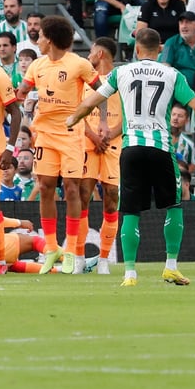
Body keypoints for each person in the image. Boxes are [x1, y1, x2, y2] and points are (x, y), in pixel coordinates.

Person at [67, 27, 195, 287]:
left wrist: (72, 119)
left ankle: (130, 274)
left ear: (136, 49)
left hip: (131, 148)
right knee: (173, 205)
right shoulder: (172, 74)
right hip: (161, 148)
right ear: (159, 49)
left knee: (131, 210)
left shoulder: (122, 72)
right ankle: (170, 267)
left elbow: (91, 101)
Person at [17, 16, 102, 275]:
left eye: (40, 36)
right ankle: (52, 248)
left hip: (71, 133)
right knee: (44, 187)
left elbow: (102, 90)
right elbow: (22, 91)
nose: (37, 40)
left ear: (50, 38)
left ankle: (73, 249)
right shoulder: (37, 66)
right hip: (44, 134)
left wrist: (104, 125)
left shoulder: (79, 64)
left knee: (71, 189)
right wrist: (23, 100)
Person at [78, 36, 123, 276]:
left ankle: (104, 258)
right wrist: (95, 137)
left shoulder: (122, 80)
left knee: (111, 196)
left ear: (101, 54)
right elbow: (79, 112)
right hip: (88, 143)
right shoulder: (85, 80)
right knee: (83, 195)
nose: (88, 56)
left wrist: (109, 135)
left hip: (113, 145)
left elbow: (129, 116)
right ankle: (78, 256)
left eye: (91, 52)